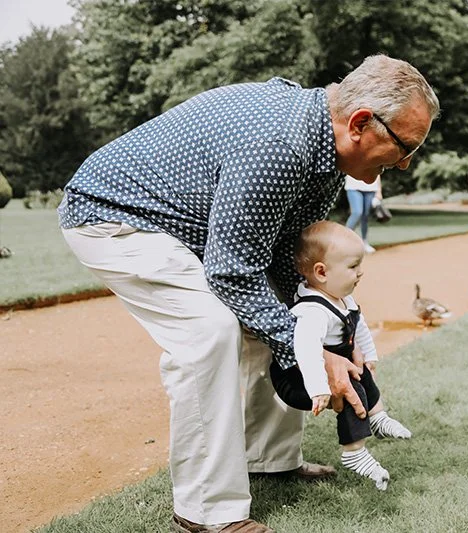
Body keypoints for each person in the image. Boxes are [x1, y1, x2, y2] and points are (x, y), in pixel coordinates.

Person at [58, 54, 438, 532]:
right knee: (209, 329)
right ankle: (207, 513)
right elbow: (232, 271)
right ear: (360, 123)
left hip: (184, 227)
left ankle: (270, 459)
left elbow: (281, 258)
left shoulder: (322, 154)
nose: (404, 164)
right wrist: (311, 356)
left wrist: (314, 335)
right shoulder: (281, 143)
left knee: (283, 310)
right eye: (404, 146)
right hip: (116, 216)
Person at [270, 220, 411, 491]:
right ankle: (354, 452)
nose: (361, 273)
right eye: (353, 267)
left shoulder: (342, 297)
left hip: (326, 364)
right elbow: (306, 351)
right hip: (296, 377)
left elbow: (359, 325)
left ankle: (378, 417)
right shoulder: (312, 311)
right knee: (351, 387)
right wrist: (318, 387)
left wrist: (369, 356)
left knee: (361, 372)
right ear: (321, 272)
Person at [345, 173, 382, 253]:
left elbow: (378, 170)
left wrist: (379, 191)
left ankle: (364, 243)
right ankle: (343, 240)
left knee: (365, 216)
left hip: (371, 188)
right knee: (357, 213)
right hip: (353, 187)